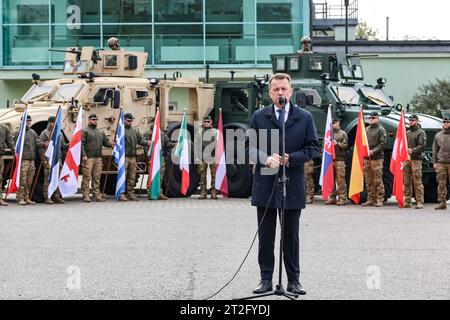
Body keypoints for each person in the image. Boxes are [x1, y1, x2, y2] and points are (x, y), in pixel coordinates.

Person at [247, 73, 319, 295]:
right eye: (276, 89)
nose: (280, 93)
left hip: (292, 184)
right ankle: (265, 279)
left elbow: (313, 147)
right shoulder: (259, 117)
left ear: (291, 91)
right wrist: (264, 158)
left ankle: (294, 281)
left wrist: (292, 158)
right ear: (270, 93)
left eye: (284, 89)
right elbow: (248, 147)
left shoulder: (304, 117)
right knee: (266, 236)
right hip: (266, 184)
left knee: (291, 236)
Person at [119, 113, 150, 201]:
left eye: (131, 120)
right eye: (128, 120)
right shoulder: (121, 130)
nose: (130, 122)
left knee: (132, 176)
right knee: (122, 176)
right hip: (124, 157)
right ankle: (121, 193)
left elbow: (140, 140)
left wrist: (147, 142)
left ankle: (130, 193)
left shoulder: (135, 130)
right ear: (124, 120)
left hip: (133, 156)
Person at [81, 114, 112, 202]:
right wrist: (83, 155)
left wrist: (112, 144)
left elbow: (106, 143)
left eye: (96, 119)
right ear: (89, 120)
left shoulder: (100, 132)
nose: (95, 121)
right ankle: (86, 195)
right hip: (88, 158)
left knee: (97, 177)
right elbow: (81, 144)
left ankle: (97, 195)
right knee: (86, 177)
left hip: (98, 158)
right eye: (93, 119)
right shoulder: (84, 131)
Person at [13, 115, 44, 205]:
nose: (29, 122)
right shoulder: (18, 133)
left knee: (30, 180)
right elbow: (13, 143)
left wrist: (44, 144)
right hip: (23, 160)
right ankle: (20, 197)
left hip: (31, 161)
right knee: (22, 180)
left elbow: (37, 143)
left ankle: (27, 197)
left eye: (30, 121)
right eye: (27, 121)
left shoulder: (33, 132)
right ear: (22, 122)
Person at [39, 116, 68, 204]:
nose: (53, 124)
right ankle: (47, 196)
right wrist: (43, 158)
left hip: (58, 159)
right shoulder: (44, 133)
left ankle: (56, 196)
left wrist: (72, 143)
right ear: (49, 123)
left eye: (55, 122)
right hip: (48, 159)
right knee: (48, 178)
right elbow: (40, 146)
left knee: (57, 177)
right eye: (52, 122)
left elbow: (63, 146)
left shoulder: (59, 133)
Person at [144, 118, 173, 200]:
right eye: (154, 122)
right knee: (152, 175)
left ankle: (159, 192)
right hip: (152, 158)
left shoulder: (162, 134)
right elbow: (146, 148)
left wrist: (176, 144)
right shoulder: (148, 134)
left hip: (160, 158)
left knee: (160, 176)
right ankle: (150, 192)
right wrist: (149, 158)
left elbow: (168, 144)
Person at [362, 111, 386, 207]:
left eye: (373, 118)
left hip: (377, 158)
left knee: (378, 179)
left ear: (377, 119)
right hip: (367, 158)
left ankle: (380, 199)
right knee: (368, 179)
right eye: (370, 118)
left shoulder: (381, 130)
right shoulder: (366, 129)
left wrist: (374, 151)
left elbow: (382, 144)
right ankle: (371, 199)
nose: (371, 119)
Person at [325, 118, 349, 205]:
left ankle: (342, 197)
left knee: (341, 180)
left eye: (334, 123)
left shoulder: (343, 134)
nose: (333, 124)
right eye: (332, 123)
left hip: (340, 160)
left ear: (338, 123)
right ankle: (332, 197)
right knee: (331, 179)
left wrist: (337, 144)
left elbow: (346, 145)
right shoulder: (329, 134)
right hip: (331, 159)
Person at [404, 114, 426, 209]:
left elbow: (422, 146)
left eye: (413, 120)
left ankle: (419, 201)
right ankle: (407, 201)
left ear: (417, 121)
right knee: (406, 181)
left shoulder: (420, 133)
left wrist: (412, 150)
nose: (411, 122)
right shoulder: (407, 132)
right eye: (410, 120)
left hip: (416, 159)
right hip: (407, 159)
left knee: (417, 181)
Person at [195, 115, 218, 199]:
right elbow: (196, 145)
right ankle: (203, 192)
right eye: (205, 121)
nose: (207, 123)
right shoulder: (199, 132)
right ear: (203, 122)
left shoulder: (216, 132)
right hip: (202, 157)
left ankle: (213, 193)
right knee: (202, 175)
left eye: (208, 121)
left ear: (211, 122)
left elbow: (219, 145)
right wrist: (197, 157)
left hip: (213, 156)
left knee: (214, 175)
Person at [432, 116, 450, 210]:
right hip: (441, 162)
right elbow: (435, 150)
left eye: (447, 122)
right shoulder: (438, 135)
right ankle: (442, 202)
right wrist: (434, 162)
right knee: (441, 183)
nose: (446, 124)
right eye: (444, 122)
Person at [0, 123, 15, 206]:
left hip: (0, 156)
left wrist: (14, 149)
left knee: (0, 177)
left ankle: (0, 198)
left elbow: (10, 140)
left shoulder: (4, 128)